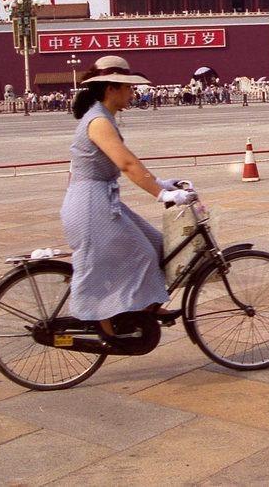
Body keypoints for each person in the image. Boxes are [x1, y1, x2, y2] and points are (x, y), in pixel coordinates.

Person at [61, 55, 196, 340]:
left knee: (160, 246)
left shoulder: (103, 116)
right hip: (90, 204)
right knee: (141, 254)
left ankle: (146, 305)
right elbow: (127, 165)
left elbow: (128, 163)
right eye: (128, 88)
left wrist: (162, 183)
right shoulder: (98, 121)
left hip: (100, 199)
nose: (132, 93)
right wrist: (162, 194)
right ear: (111, 88)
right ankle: (104, 324)